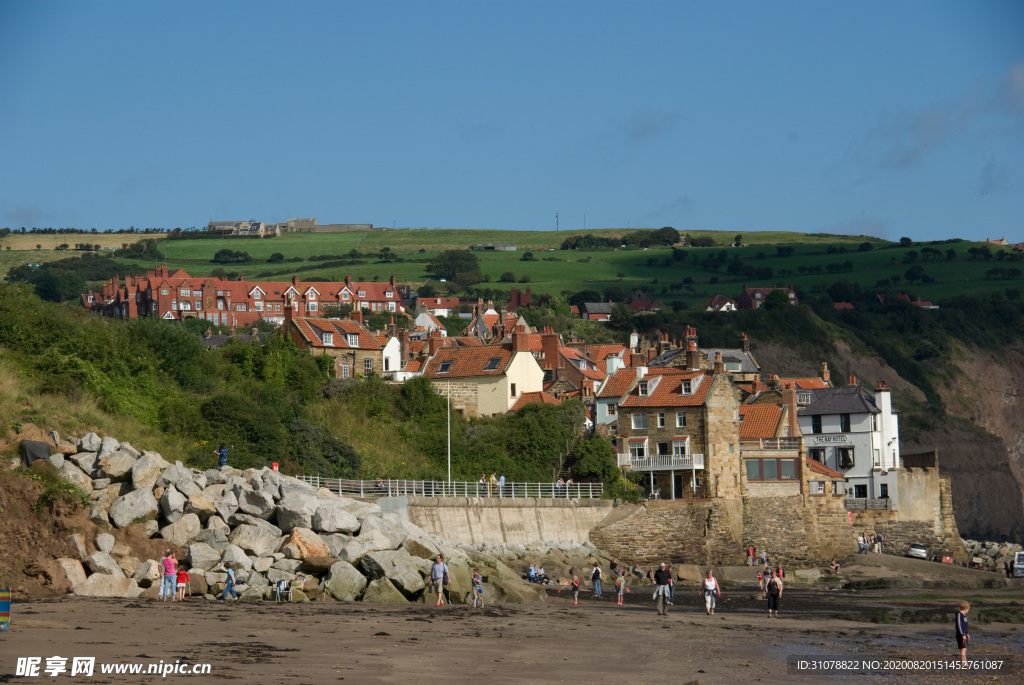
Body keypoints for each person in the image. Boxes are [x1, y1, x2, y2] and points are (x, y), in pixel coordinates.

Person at [955, 601, 970, 665]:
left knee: (965, 648)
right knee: (963, 649)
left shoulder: (964, 616)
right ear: (966, 609)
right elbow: (959, 625)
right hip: (961, 634)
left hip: (964, 634)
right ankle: (963, 663)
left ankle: (964, 662)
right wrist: (962, 634)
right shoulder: (959, 615)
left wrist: (967, 634)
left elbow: (965, 626)